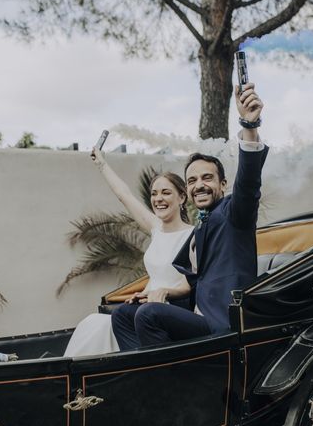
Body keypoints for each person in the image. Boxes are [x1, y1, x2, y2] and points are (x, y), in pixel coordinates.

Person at [112, 81, 267, 349]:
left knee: (149, 314)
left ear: (223, 184)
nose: (199, 184)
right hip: (196, 317)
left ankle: (167, 382)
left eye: (207, 177)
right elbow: (191, 284)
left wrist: (249, 126)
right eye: (192, 180)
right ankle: (140, 375)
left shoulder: (234, 213)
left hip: (224, 323)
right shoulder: (199, 228)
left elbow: (249, 182)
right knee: (123, 315)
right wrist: (155, 293)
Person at [64, 148, 194, 357]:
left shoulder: (193, 235)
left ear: (182, 198)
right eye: (154, 193)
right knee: (93, 323)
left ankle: (140, 365)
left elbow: (190, 283)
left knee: (122, 315)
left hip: (169, 307)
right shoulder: (155, 228)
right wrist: (102, 164)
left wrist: (161, 294)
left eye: (166, 192)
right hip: (143, 303)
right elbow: (124, 195)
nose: (158, 198)